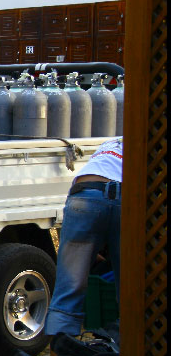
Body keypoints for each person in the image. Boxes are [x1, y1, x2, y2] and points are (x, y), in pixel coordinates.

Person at [45, 137, 123, 337]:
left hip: (83, 195)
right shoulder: (146, 142)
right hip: (124, 197)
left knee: (68, 289)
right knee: (130, 287)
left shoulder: (110, 144)